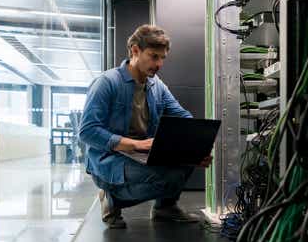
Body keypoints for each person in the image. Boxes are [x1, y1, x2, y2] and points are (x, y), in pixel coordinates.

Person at [79, 24, 211, 228]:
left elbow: (181, 115)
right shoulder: (106, 83)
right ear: (135, 50)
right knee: (167, 179)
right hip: (110, 158)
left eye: (162, 58)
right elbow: (87, 131)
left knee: (186, 162)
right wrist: (134, 145)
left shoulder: (156, 85)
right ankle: (112, 199)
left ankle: (164, 208)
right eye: (153, 56)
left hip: (141, 154)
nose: (159, 64)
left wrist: (195, 145)